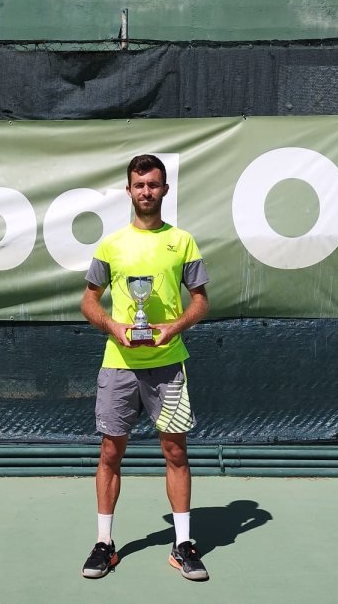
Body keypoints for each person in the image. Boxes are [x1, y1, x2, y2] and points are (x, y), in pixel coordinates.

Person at [79, 154, 210, 581]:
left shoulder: (183, 242)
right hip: (119, 365)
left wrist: (174, 326)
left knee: (175, 452)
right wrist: (115, 325)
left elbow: (201, 302)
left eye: (153, 184)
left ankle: (183, 544)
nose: (146, 191)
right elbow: (88, 301)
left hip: (169, 365)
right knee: (110, 452)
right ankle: (104, 544)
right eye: (139, 185)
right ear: (129, 190)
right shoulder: (111, 245)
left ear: (165, 189)